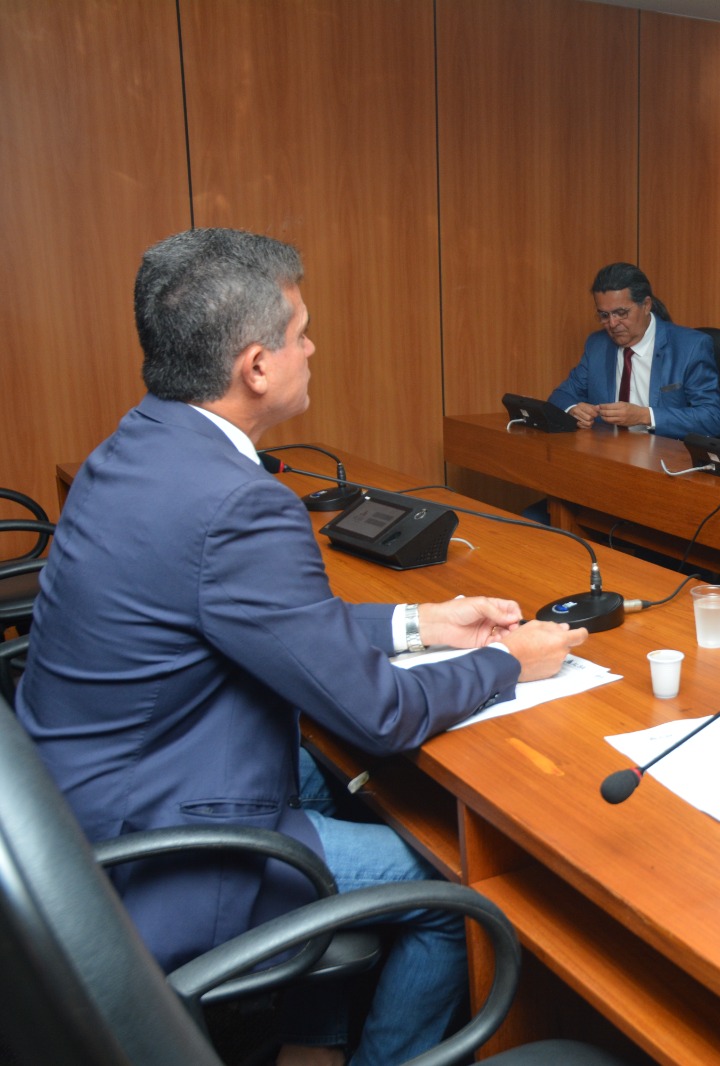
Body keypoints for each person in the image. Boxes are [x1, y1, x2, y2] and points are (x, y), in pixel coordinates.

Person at [16, 228, 588, 1066]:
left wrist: (423, 624)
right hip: (164, 850)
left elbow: (261, 623)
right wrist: (508, 663)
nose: (312, 347)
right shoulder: (239, 503)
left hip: (91, 806)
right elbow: (381, 715)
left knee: (352, 787)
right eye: (302, 333)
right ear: (256, 366)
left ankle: (302, 1043)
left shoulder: (133, 449)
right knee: (455, 889)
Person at [548, 262, 720, 439]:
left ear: (646, 305)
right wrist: (573, 410)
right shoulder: (597, 345)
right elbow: (561, 395)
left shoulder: (690, 347)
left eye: (621, 313)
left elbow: (712, 419)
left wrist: (645, 416)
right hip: (608, 453)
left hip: (665, 458)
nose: (613, 324)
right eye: (604, 315)